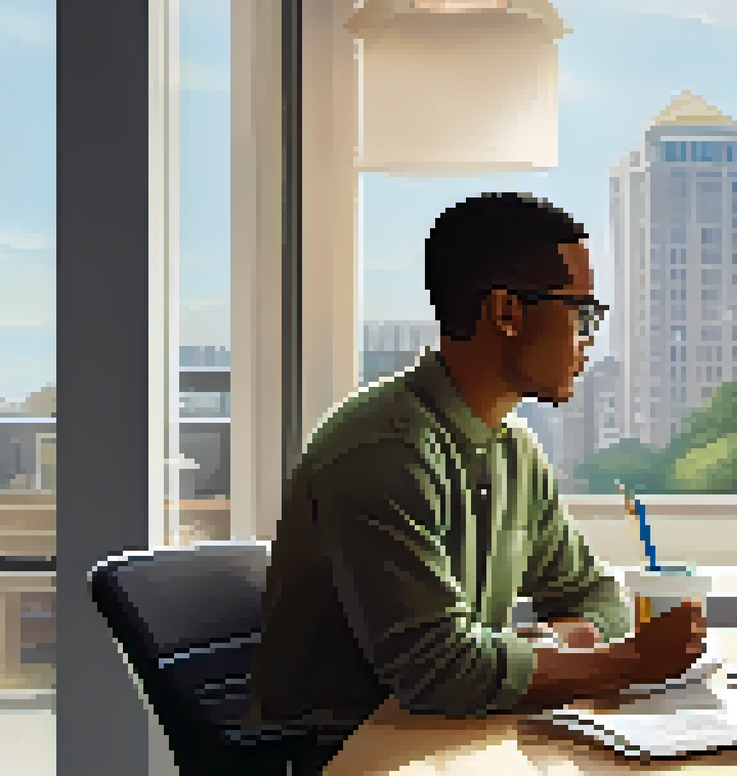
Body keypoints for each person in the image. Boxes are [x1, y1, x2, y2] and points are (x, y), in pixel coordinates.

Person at [243, 192, 706, 772]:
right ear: (506, 314)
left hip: (451, 745)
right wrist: (627, 662)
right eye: (581, 314)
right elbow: (439, 672)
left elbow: (592, 595)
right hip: (349, 757)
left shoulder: (516, 450)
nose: (590, 341)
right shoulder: (383, 451)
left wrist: (560, 643)